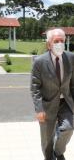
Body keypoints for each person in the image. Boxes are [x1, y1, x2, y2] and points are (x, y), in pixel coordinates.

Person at [31, 28, 74, 160]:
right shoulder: (39, 62)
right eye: (56, 41)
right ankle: (49, 157)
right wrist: (39, 109)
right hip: (47, 104)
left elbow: (73, 83)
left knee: (69, 128)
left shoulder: (71, 58)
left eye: (62, 41)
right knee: (46, 139)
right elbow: (35, 88)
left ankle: (58, 152)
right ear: (49, 44)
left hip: (65, 102)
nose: (59, 44)